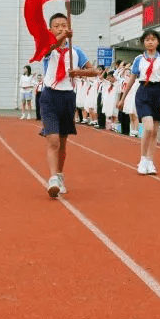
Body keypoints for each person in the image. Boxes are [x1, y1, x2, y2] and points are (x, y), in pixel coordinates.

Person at [38, 12, 98, 198]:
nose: (62, 28)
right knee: (53, 139)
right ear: (50, 29)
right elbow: (50, 47)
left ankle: (60, 175)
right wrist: (63, 36)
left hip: (67, 97)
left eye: (64, 25)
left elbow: (93, 71)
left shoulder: (76, 51)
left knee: (63, 142)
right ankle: (53, 178)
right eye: (57, 26)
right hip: (49, 96)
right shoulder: (48, 47)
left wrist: (77, 72)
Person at [118, 29, 160, 175]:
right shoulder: (138, 59)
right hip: (143, 92)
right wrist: (122, 99)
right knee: (147, 128)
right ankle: (142, 159)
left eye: (153, 39)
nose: (150, 42)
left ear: (158, 42)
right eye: (147, 39)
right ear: (143, 42)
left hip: (158, 93)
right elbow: (131, 80)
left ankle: (150, 161)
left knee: (154, 132)